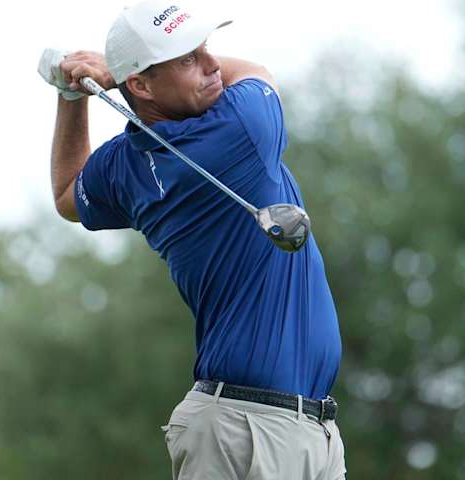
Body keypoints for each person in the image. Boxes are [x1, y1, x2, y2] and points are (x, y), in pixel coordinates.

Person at [38, 1, 345, 478]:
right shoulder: (241, 129)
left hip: (304, 429)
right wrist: (112, 74)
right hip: (246, 432)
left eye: (206, 49)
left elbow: (66, 193)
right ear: (140, 85)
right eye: (187, 58)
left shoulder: (125, 165)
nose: (211, 65)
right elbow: (256, 72)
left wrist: (71, 96)